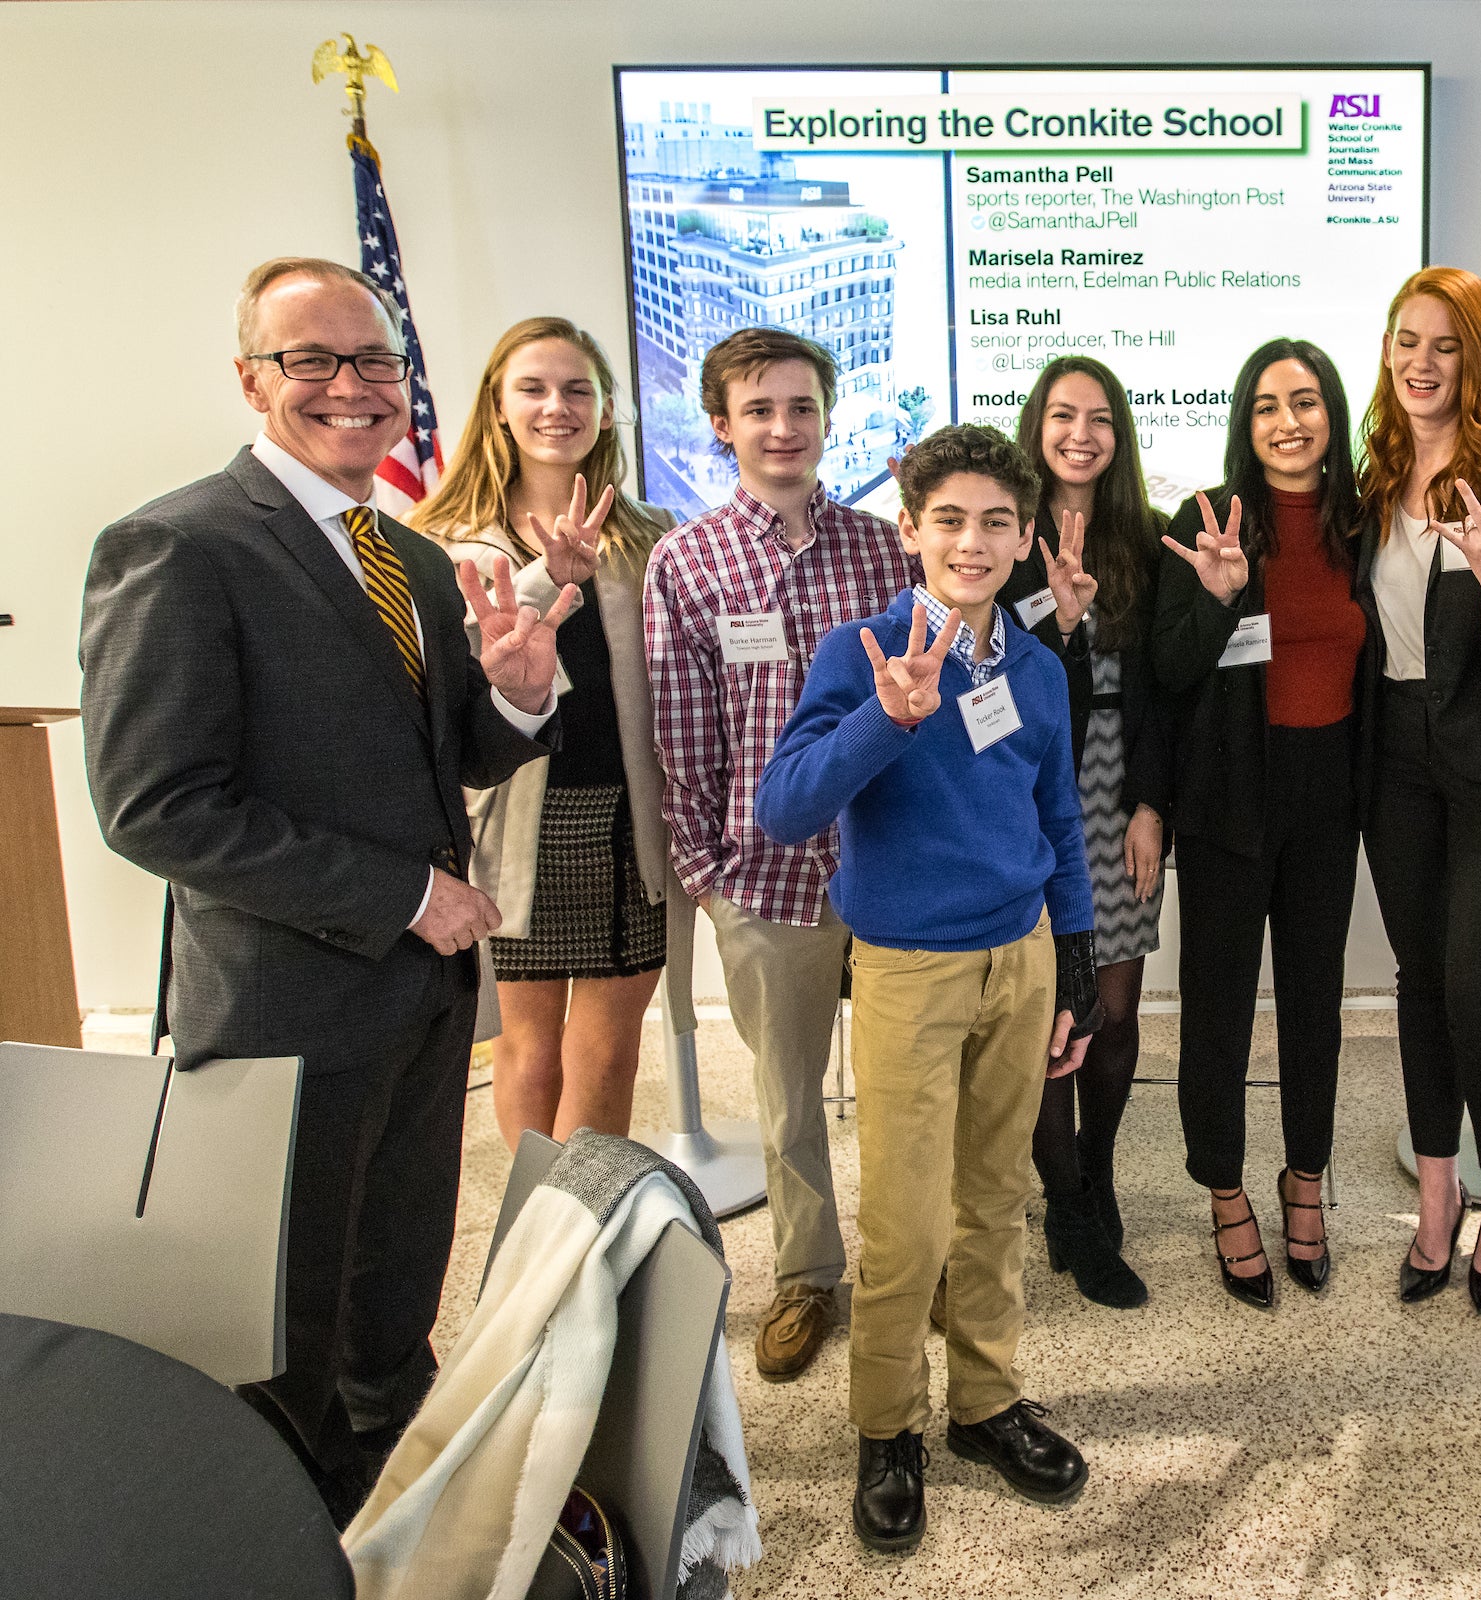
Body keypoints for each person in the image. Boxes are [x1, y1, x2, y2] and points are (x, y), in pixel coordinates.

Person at [79, 258, 572, 1518]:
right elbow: (157, 804)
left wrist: (518, 689)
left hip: (415, 1006)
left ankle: (390, 1505)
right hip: (285, 1012)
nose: (353, 389)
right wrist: (406, 894)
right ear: (252, 378)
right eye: (316, 361)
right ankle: (273, 1531)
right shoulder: (176, 545)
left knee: (396, 1287)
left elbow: (451, 753)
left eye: (377, 363)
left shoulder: (403, 550)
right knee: (281, 1323)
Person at [755, 424, 1099, 1557]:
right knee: (904, 1219)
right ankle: (886, 1422)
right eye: (947, 517)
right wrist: (890, 717)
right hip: (909, 967)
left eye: (997, 520)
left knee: (996, 1198)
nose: (973, 538)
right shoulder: (860, 654)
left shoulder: (1037, 668)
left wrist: (1077, 962)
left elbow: (1058, 817)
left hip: (1023, 953)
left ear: (1025, 535)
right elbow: (788, 808)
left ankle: (986, 1402)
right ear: (909, 528)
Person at [645, 328, 919, 1384]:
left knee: (904, 1084)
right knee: (790, 1094)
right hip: (765, 878)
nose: (783, 428)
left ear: (827, 419)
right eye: (759, 410)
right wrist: (707, 875)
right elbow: (683, 730)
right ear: (722, 425)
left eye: (802, 408)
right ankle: (806, 1276)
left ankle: (913, 1264)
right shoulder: (688, 562)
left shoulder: (882, 551)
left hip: (888, 865)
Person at [414, 316, 683, 1149]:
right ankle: (541, 1237)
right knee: (528, 1047)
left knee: (609, 1048)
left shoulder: (651, 534)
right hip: (517, 823)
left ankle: (583, 1239)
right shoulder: (440, 536)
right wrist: (545, 575)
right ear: (497, 406)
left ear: (607, 411)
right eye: (533, 388)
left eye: (578, 390)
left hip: (632, 817)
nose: (556, 407)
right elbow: (444, 674)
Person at [1354, 266, 1481, 1315]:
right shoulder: (1375, 473)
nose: (1420, 364)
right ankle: (1437, 1198)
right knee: (1421, 986)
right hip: (1391, 760)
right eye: (1405, 341)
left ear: (1474, 356)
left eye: (1442, 344)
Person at [1154, 339, 1368, 1307]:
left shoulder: (1361, 525)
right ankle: (1227, 1186)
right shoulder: (1204, 519)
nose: (1289, 421)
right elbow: (1171, 669)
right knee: (1221, 1003)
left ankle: (1307, 1176)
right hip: (1231, 795)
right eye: (1268, 405)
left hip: (1331, 791)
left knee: (1316, 1001)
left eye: (1308, 400)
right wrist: (1221, 596)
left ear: (1333, 416)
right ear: (1244, 421)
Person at [994, 356, 1169, 1310]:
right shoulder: (1005, 537)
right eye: (1062, 415)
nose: (1080, 434)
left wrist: (1152, 804)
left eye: (1100, 418)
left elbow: (1161, 696)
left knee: (1111, 1015)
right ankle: (1064, 1205)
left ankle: (1096, 1175)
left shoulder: (1143, 536)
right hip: (1026, 792)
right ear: (1037, 425)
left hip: (1117, 791)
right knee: (1045, 1018)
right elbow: (1004, 684)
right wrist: (1054, 618)